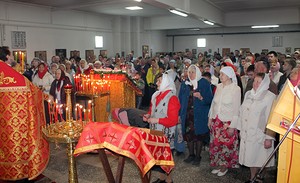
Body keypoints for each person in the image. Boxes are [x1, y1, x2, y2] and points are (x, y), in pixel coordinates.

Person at [0, 46, 49, 181]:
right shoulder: (17, 77)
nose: (11, 58)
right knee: (16, 146)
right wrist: (46, 98)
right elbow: (34, 92)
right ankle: (19, 171)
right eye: (10, 55)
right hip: (15, 125)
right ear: (7, 56)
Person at [236, 73, 276, 182]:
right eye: (254, 81)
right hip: (247, 131)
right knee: (250, 157)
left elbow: (272, 118)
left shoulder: (270, 97)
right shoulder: (249, 94)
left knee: (261, 157)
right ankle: (252, 178)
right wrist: (240, 129)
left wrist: (269, 137)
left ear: (264, 83)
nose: (255, 84)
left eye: (258, 82)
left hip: (261, 133)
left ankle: (260, 177)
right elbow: (242, 111)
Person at [143, 73, 180, 183]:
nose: (157, 83)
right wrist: (148, 115)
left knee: (166, 158)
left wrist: (156, 120)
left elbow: (173, 120)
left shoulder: (172, 97)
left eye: (159, 81)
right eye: (157, 81)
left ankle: (169, 181)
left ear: (165, 82)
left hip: (166, 133)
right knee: (157, 157)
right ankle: (161, 178)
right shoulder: (156, 95)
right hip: (155, 131)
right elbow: (152, 109)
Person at [208, 66, 241, 177]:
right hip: (216, 120)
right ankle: (218, 164)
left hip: (227, 122)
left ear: (229, 75)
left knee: (226, 146)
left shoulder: (236, 89)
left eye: (222, 74)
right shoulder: (219, 86)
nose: (220, 76)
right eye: (220, 74)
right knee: (216, 144)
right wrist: (210, 119)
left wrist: (233, 126)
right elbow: (213, 104)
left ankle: (224, 166)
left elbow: (237, 109)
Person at [180, 65, 213, 165]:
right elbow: (180, 99)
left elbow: (210, 100)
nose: (191, 74)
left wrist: (201, 97)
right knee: (189, 135)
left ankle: (198, 156)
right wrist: (179, 114)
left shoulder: (204, 83)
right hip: (188, 114)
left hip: (199, 115)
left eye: (193, 72)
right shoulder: (185, 83)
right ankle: (191, 155)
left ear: (198, 72)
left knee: (199, 136)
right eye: (189, 72)